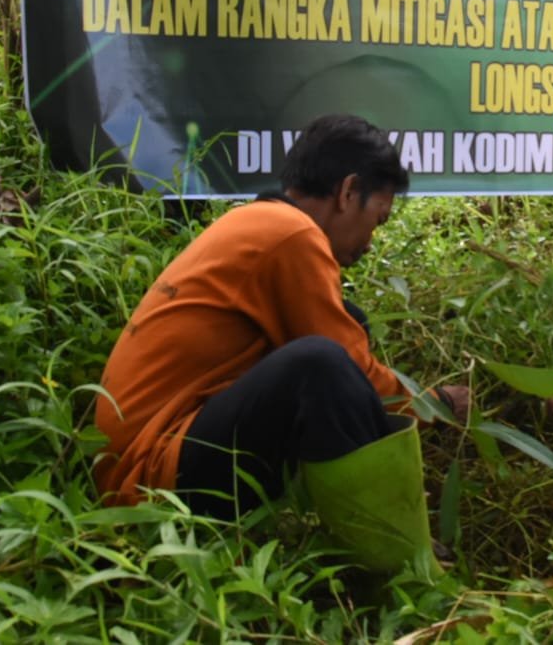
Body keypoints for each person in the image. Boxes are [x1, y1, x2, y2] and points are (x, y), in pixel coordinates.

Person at [94, 114, 469, 573]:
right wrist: (435, 406)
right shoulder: (292, 235)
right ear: (349, 192)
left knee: (347, 324)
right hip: (147, 478)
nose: (372, 241)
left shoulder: (262, 222)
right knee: (321, 364)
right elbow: (352, 370)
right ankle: (395, 553)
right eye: (378, 219)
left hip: (156, 453)